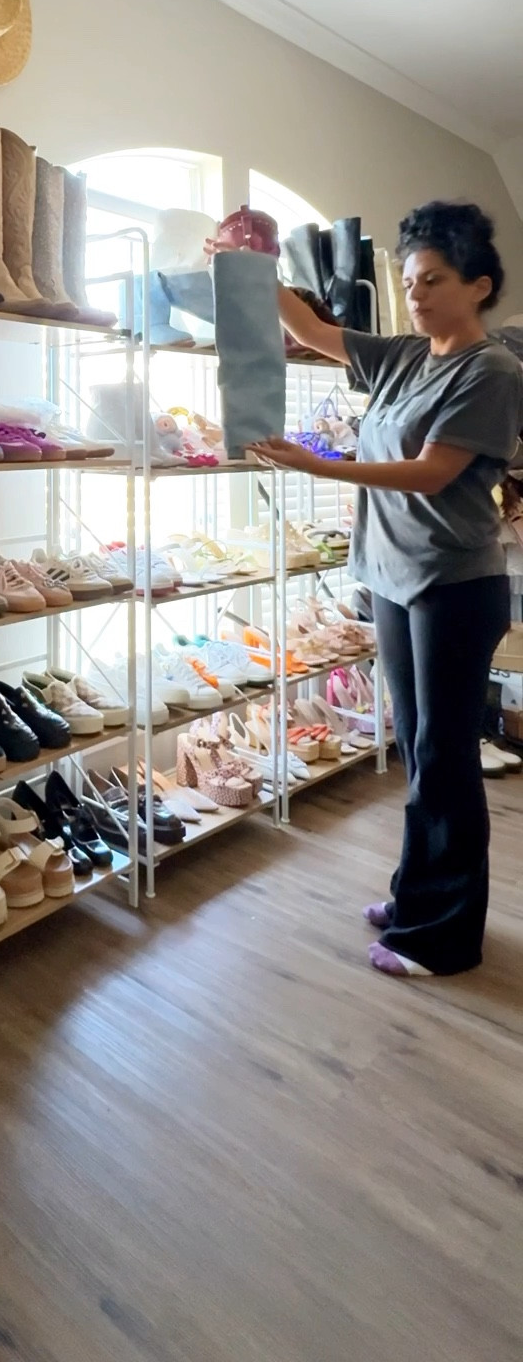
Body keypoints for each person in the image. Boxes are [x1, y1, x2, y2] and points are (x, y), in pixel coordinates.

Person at [224, 201, 523, 977]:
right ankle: (420, 896)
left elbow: (432, 472)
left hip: (453, 586)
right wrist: (245, 263)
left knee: (444, 755)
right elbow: (311, 329)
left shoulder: (491, 370)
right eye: (409, 278)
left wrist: (320, 465)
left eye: (433, 280)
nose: (416, 294)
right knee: (421, 753)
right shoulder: (402, 356)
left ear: (479, 286)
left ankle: (443, 937)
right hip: (392, 580)